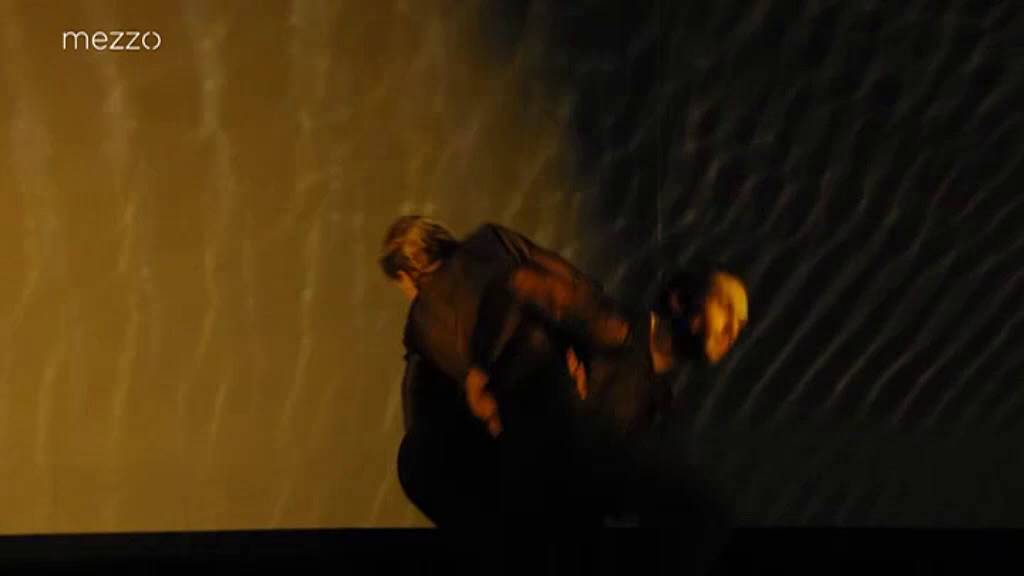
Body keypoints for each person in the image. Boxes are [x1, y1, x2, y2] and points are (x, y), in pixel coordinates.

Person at [379, 215, 619, 526]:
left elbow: (418, 418)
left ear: (405, 276)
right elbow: (575, 285)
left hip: (517, 444)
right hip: (572, 410)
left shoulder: (421, 323)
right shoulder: (493, 240)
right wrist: (577, 345)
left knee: (415, 457)